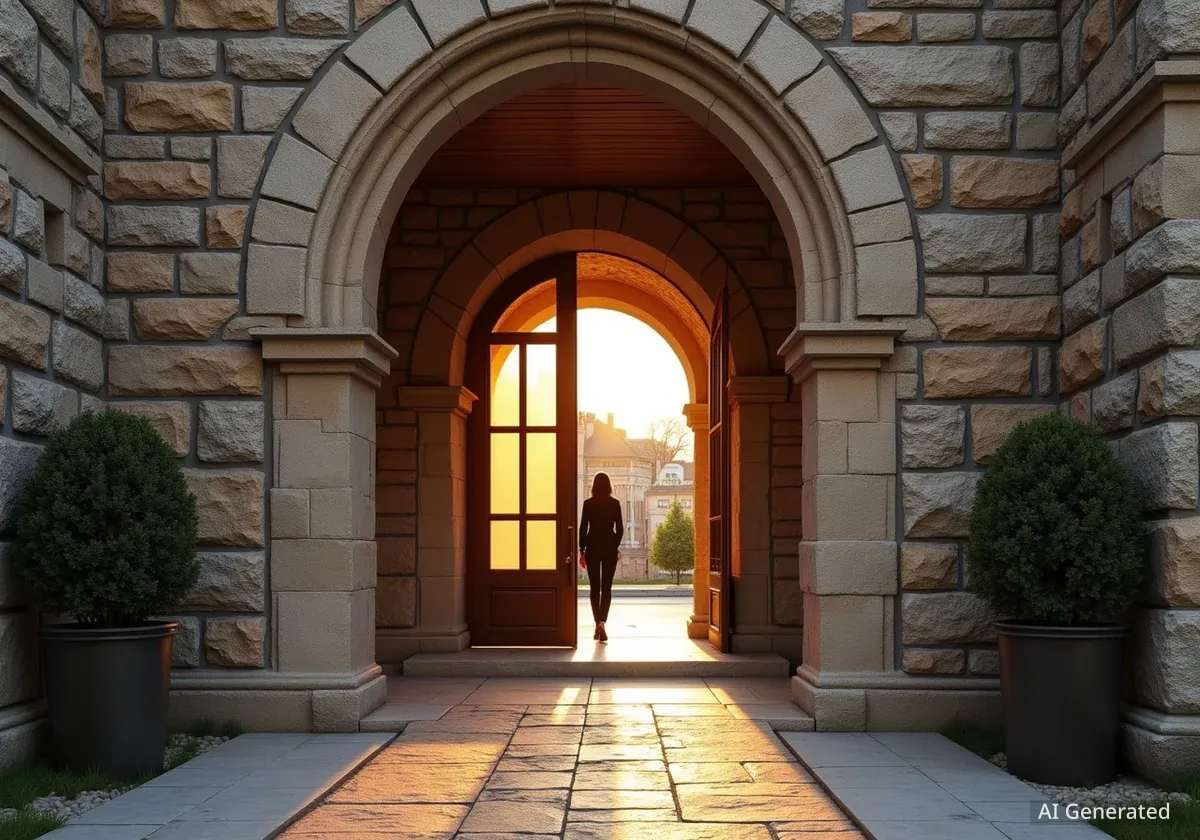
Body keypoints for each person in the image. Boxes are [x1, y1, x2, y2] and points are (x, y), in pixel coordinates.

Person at [579, 471, 624, 643]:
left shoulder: (588, 504)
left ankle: (597, 622)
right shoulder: (615, 504)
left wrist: (582, 550)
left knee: (594, 588)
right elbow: (620, 529)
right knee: (606, 588)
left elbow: (583, 528)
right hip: (609, 548)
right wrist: (614, 545)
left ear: (594, 487)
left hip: (592, 548)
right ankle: (602, 622)